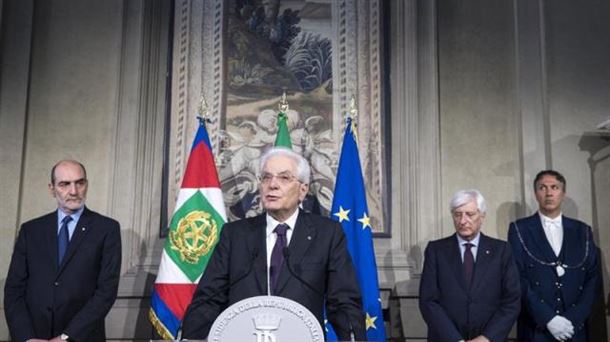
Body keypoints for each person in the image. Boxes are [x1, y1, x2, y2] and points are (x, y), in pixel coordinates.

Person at [181, 147, 366, 340]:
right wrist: (189, 337)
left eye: (284, 178)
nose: (272, 185)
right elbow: (209, 299)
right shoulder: (235, 235)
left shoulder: (327, 234)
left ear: (303, 190)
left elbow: (343, 301)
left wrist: (353, 336)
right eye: (266, 178)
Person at [4, 160, 122, 342]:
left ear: (86, 185)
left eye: (80, 183)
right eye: (64, 184)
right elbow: (14, 290)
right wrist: (27, 338)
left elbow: (106, 292)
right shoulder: (31, 230)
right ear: (52, 189)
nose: (74, 191)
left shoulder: (106, 229)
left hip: (81, 337)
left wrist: (68, 336)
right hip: (34, 336)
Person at [508, 170, 600, 341]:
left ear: (563, 193)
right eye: (542, 188)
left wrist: (573, 319)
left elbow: (592, 278)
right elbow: (516, 277)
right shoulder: (519, 229)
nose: (549, 193)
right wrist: (548, 319)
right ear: (536, 193)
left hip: (574, 330)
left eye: (554, 187)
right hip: (535, 330)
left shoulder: (583, 231)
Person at [419, 189, 520, 342]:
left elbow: (511, 301)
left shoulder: (501, 251)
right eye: (457, 214)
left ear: (482, 216)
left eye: (470, 214)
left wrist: (487, 338)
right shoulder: (436, 250)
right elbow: (428, 301)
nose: (463, 221)